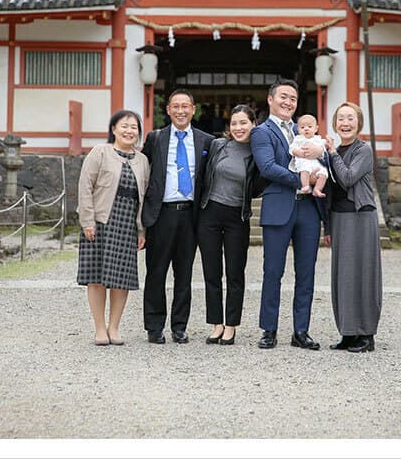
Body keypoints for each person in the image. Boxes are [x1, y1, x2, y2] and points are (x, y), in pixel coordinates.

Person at [250, 79, 329, 350]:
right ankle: (268, 329)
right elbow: (267, 167)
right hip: (278, 206)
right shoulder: (261, 132)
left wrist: (323, 152)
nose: (288, 102)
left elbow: (323, 160)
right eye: (283, 97)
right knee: (273, 271)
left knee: (306, 272)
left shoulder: (304, 130)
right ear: (270, 99)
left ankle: (301, 330)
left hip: (308, 209)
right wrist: (300, 180)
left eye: (293, 98)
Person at [141, 89, 214, 344]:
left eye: (186, 106)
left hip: (191, 216)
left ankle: (179, 326)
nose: (181, 111)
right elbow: (144, 172)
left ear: (193, 110)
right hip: (161, 214)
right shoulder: (155, 138)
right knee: (156, 271)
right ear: (169, 110)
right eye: (176, 106)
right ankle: (154, 325)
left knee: (184, 274)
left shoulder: (207, 141)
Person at [77, 110, 149, 346]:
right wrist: (87, 220)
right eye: (124, 126)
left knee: (122, 278)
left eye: (134, 127)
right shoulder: (100, 152)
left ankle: (114, 327)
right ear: (114, 129)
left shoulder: (142, 160)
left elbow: (143, 197)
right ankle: (99, 328)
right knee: (96, 277)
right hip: (100, 221)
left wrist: (141, 230)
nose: (130, 131)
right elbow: (85, 186)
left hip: (127, 223)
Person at [196, 104, 264, 345]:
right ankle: (216, 323)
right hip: (210, 213)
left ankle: (231, 325)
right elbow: (203, 176)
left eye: (243, 123)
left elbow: (259, 187)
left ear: (253, 124)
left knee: (235, 273)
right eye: (234, 123)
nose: (238, 128)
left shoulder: (258, 153)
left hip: (238, 216)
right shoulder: (217, 146)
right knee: (211, 271)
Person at [324, 102, 383, 353]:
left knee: (363, 274)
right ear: (335, 123)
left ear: (358, 123)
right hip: (339, 218)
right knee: (343, 276)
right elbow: (328, 189)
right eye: (340, 118)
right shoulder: (334, 150)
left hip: (361, 218)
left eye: (350, 118)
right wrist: (327, 226)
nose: (345, 123)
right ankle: (348, 332)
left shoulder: (364, 150)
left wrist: (332, 155)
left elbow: (348, 178)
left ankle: (366, 334)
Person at [290, 114, 328, 198]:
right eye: (302, 127)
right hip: (304, 161)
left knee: (323, 174)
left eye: (310, 126)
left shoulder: (318, 139)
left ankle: (317, 189)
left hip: (316, 163)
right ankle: (305, 186)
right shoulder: (298, 139)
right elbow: (291, 148)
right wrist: (297, 152)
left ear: (316, 129)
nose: (306, 129)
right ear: (298, 130)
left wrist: (320, 150)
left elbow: (324, 149)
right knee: (304, 171)